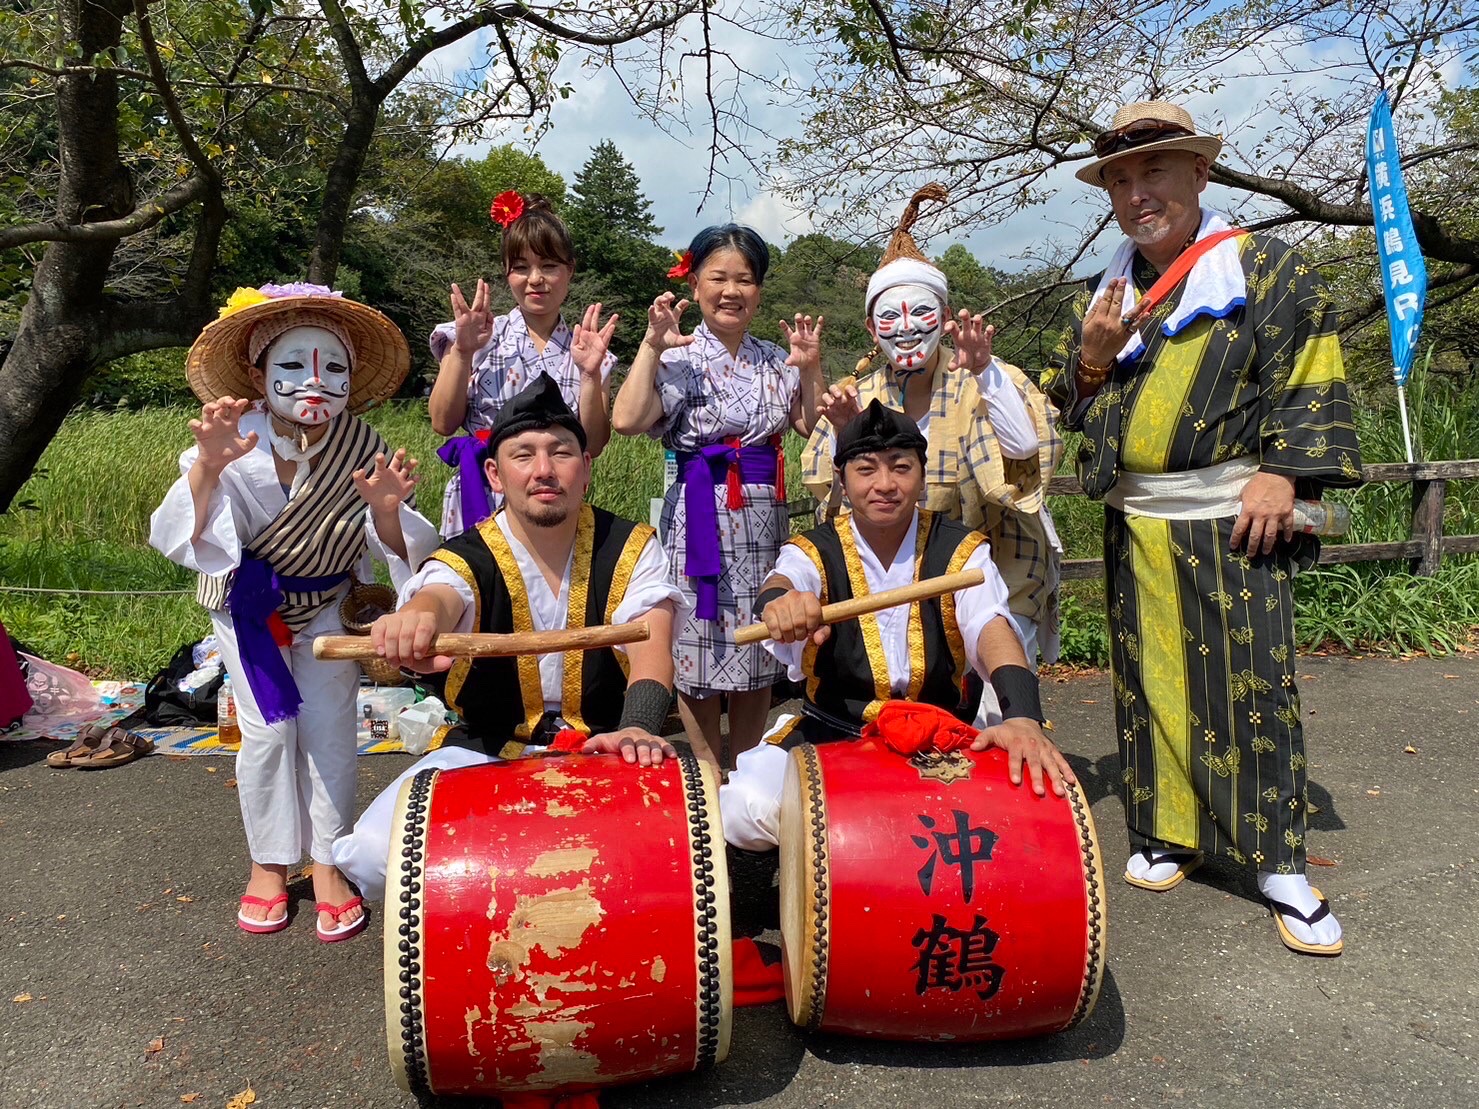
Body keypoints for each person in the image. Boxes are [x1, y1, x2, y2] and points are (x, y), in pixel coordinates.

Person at [1040, 100, 1362, 956]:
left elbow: (1311, 366)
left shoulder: (1268, 268)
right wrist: (1091, 358)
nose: (1136, 193)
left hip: (1230, 519)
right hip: (1134, 522)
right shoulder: (1101, 293)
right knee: (1145, 683)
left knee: (1251, 682)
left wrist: (1284, 468)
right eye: (1118, 179)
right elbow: (1062, 405)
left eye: (1153, 172)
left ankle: (1274, 855)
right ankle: (1164, 830)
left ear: (1198, 175)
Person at [150, 283, 440, 940]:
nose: (316, 381)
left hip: (329, 604)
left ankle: (328, 858)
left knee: (332, 731)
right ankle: (269, 863)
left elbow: (398, 546)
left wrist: (389, 511)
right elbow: (182, 537)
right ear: (256, 374)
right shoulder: (229, 438)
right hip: (249, 606)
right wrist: (206, 470)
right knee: (271, 732)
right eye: (291, 366)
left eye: (334, 367)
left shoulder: (360, 442)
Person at [330, 377, 685, 899]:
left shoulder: (633, 547)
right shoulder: (467, 554)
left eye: (561, 453)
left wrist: (637, 729)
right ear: (495, 473)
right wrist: (418, 618)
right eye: (524, 455)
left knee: (684, 860)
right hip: (487, 752)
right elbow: (439, 596)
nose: (544, 470)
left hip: (607, 748)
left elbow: (652, 647)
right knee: (373, 854)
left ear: (585, 468)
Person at [721, 400, 1074, 854]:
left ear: (922, 477)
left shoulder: (960, 549)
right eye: (866, 470)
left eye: (901, 468)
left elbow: (991, 628)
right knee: (744, 808)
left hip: (940, 735)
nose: (884, 485)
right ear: (843, 482)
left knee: (1028, 804)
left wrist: (1022, 718)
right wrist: (781, 604)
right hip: (836, 730)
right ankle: (823, 877)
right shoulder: (814, 549)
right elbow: (782, 582)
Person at [804, 185, 1065, 670]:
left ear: (946, 318)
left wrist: (985, 373)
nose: (906, 328)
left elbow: (1026, 457)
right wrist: (846, 433)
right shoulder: (857, 394)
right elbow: (832, 497)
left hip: (996, 567)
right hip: (899, 581)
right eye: (889, 317)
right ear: (869, 328)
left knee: (994, 706)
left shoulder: (988, 376)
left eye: (921, 312)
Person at [611, 224, 825, 767]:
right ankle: (708, 771)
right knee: (695, 641)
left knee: (757, 638)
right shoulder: (679, 354)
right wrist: (651, 347)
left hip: (760, 518)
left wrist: (812, 365)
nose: (731, 291)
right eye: (718, 278)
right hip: (697, 514)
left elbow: (809, 423)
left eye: (745, 280)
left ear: (759, 289)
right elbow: (628, 419)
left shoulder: (776, 358)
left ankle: (748, 764)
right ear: (697, 283)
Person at [429, 191, 619, 537]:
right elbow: (443, 422)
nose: (535, 279)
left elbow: (593, 445)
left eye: (549, 266)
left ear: (569, 271)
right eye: (520, 267)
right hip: (481, 492)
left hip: (553, 495)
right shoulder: (477, 337)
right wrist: (462, 352)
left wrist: (590, 374)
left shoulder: (587, 349)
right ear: (506, 274)